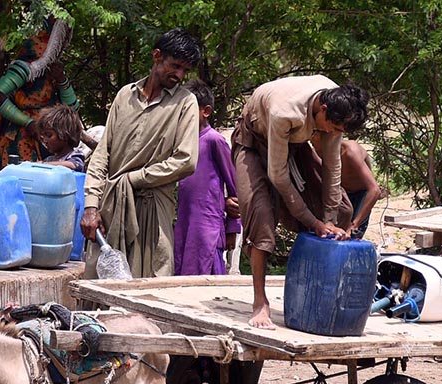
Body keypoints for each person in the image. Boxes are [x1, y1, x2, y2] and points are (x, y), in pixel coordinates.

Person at [232, 75, 369, 329]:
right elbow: (278, 176)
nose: (335, 134)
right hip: (254, 142)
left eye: (341, 131)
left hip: (292, 144)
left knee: (342, 208)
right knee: (261, 214)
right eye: (334, 128)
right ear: (323, 110)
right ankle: (260, 302)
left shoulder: (335, 107)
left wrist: (328, 220)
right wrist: (313, 222)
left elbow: (332, 165)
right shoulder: (285, 111)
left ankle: (320, 294)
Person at [80, 28, 201, 279]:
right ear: (157, 56)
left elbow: (186, 161)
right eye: (175, 66)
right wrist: (91, 206)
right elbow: (102, 155)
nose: (179, 75)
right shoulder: (125, 95)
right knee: (102, 284)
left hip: (154, 209)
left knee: (152, 284)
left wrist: (134, 179)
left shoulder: (186, 102)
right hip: (111, 209)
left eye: (185, 71)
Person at [0, 17, 79, 171]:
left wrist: (61, 79)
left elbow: (72, 109)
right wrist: (28, 122)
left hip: (47, 138)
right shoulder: (27, 67)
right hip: (21, 139)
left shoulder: (52, 70)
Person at [174, 79, 241, 275]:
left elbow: (235, 186)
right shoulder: (182, 143)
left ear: (206, 111)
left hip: (207, 223)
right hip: (185, 222)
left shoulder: (214, 140)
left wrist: (232, 228)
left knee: (208, 272)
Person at [310, 133, 382, 239]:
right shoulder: (319, 153)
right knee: (334, 233)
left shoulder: (350, 152)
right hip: (341, 194)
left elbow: (375, 190)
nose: (311, 141)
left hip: (361, 194)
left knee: (352, 235)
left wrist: (354, 224)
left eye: (315, 142)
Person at [36, 104, 85, 172]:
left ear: (65, 136)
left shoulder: (75, 155)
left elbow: (73, 165)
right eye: (42, 137)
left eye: (49, 135)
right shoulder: (49, 159)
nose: (45, 140)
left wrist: (44, 165)